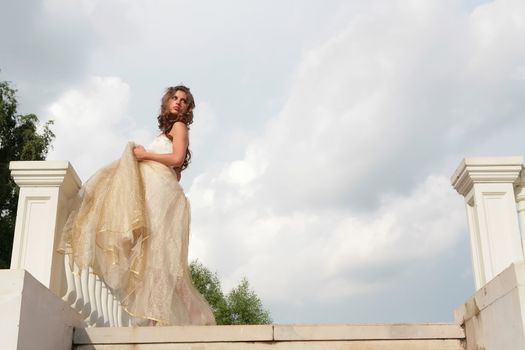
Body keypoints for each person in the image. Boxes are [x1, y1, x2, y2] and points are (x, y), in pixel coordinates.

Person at [59, 85, 216, 326]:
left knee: (162, 255)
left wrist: (144, 156)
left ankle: (192, 315)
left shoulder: (179, 126)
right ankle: (156, 317)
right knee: (155, 255)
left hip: (163, 199)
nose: (178, 102)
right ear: (166, 102)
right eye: (174, 98)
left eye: (184, 100)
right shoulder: (167, 132)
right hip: (158, 195)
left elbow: (176, 158)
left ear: (188, 108)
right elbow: (175, 171)